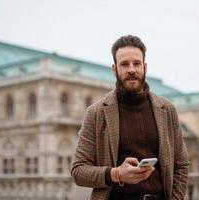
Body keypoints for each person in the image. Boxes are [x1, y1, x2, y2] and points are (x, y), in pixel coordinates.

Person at [71, 35, 189, 200]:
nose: (131, 69)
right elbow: (78, 171)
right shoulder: (96, 113)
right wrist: (116, 174)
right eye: (124, 64)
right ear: (114, 69)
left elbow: (181, 165)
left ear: (145, 67)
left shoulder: (167, 109)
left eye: (137, 63)